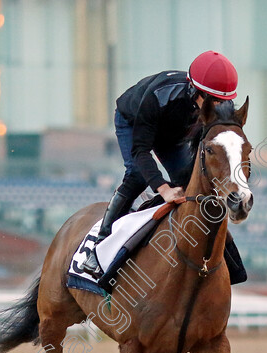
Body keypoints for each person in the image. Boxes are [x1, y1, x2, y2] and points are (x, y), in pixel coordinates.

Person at [82, 50, 247, 284]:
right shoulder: (158, 97)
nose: (219, 107)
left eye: (223, 101)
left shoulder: (220, 103)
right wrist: (163, 188)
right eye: (213, 101)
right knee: (138, 175)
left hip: (175, 133)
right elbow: (141, 150)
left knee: (189, 180)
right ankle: (100, 245)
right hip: (134, 122)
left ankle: (226, 256)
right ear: (194, 91)